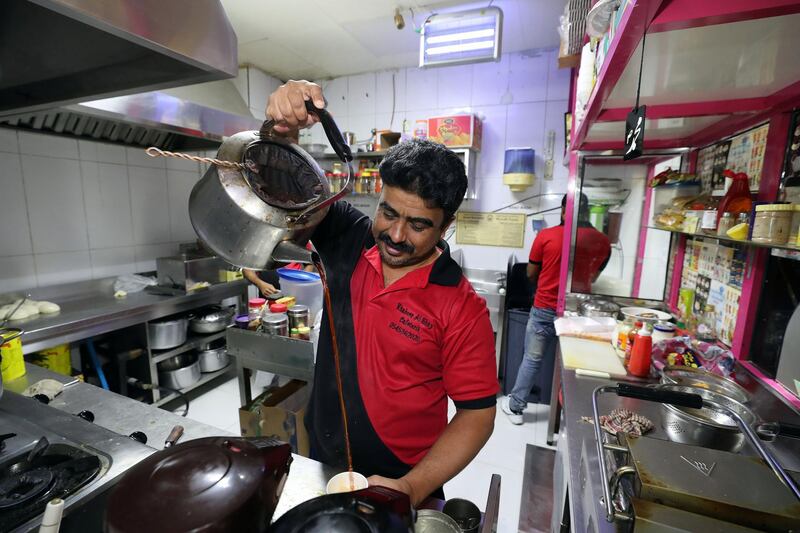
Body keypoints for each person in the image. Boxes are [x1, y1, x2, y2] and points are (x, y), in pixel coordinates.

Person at [266, 81, 498, 505]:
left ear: (445, 227)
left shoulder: (462, 308)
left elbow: (477, 415)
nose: (394, 235)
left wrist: (411, 488)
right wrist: (284, 135)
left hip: (404, 477)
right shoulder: (347, 238)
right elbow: (289, 192)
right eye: (388, 212)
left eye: (418, 225)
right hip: (323, 451)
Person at [501, 193, 610, 424]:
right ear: (585, 212)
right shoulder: (601, 240)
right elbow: (595, 275)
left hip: (544, 307)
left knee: (532, 359)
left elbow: (530, 273)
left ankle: (517, 407)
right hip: (577, 312)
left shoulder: (546, 236)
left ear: (563, 211)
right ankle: (573, 416)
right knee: (574, 365)